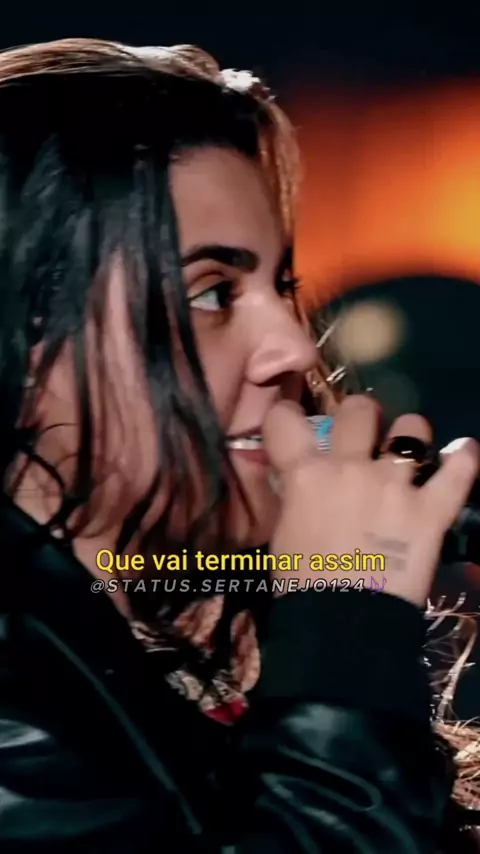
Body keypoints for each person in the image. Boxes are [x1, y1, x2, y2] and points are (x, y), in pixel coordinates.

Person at [0, 37, 478, 853]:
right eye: (213, 293)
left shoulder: (199, 610)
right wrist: (344, 618)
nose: (294, 347)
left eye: (282, 285)